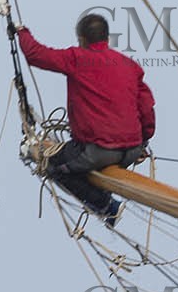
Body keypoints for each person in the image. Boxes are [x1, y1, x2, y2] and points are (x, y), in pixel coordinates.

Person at [14, 13, 155, 227]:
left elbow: (35, 55)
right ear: (107, 38)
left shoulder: (77, 58)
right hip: (132, 150)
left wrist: (21, 32)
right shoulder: (130, 65)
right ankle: (102, 188)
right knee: (79, 163)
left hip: (97, 152)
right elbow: (146, 107)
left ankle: (107, 206)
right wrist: (143, 142)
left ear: (81, 39)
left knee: (53, 167)